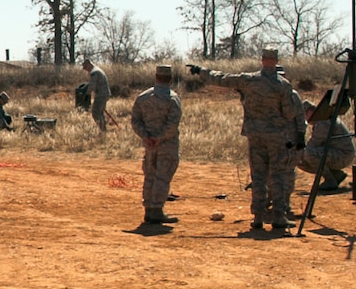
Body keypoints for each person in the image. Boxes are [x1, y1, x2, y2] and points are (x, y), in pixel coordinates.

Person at [191, 46, 306, 234]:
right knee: (277, 175)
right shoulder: (284, 86)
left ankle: (258, 217)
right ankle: (279, 216)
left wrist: (201, 71)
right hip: (277, 137)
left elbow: (223, 79)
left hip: (255, 135)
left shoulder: (249, 80)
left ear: (262, 60)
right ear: (276, 61)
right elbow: (290, 113)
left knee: (258, 176)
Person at [130, 63, 182, 225]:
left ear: (156, 77)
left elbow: (135, 120)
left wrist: (146, 136)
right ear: (170, 79)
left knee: (150, 176)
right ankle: (157, 210)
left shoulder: (143, 97)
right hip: (166, 145)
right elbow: (173, 124)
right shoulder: (172, 99)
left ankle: (148, 209)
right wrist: (160, 138)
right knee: (162, 177)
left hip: (149, 145)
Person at [298, 90, 355, 191]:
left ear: (310, 112)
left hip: (343, 155)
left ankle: (330, 181)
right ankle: (335, 175)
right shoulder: (322, 119)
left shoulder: (323, 122)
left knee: (308, 154)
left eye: (304, 116)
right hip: (338, 153)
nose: (305, 120)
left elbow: (312, 146)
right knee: (301, 157)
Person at [81, 58, 111, 135]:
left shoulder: (94, 72)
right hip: (105, 94)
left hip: (101, 95)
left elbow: (92, 86)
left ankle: (102, 130)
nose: (85, 70)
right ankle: (103, 130)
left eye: (85, 67)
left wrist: (87, 94)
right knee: (100, 113)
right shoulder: (97, 70)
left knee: (96, 113)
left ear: (89, 65)